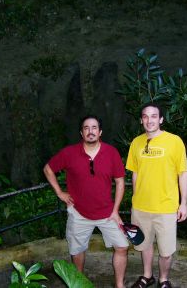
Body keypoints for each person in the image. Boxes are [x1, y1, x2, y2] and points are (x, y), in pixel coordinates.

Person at [43, 115, 129, 288]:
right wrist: (59, 192)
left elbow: (120, 182)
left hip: (107, 213)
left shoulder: (111, 152)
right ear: (81, 133)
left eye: (94, 128)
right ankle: (79, 283)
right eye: (86, 128)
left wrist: (116, 210)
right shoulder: (69, 153)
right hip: (79, 213)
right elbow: (48, 169)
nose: (91, 131)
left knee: (122, 246)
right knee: (77, 251)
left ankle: (119, 285)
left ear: (100, 132)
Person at [126, 103, 187, 288]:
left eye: (154, 116)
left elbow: (183, 173)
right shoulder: (136, 143)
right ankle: (147, 276)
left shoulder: (174, 141)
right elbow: (135, 174)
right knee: (144, 245)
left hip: (166, 207)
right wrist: (134, 200)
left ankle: (163, 279)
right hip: (141, 207)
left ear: (161, 119)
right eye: (145, 116)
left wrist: (183, 203)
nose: (149, 120)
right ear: (141, 120)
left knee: (166, 251)